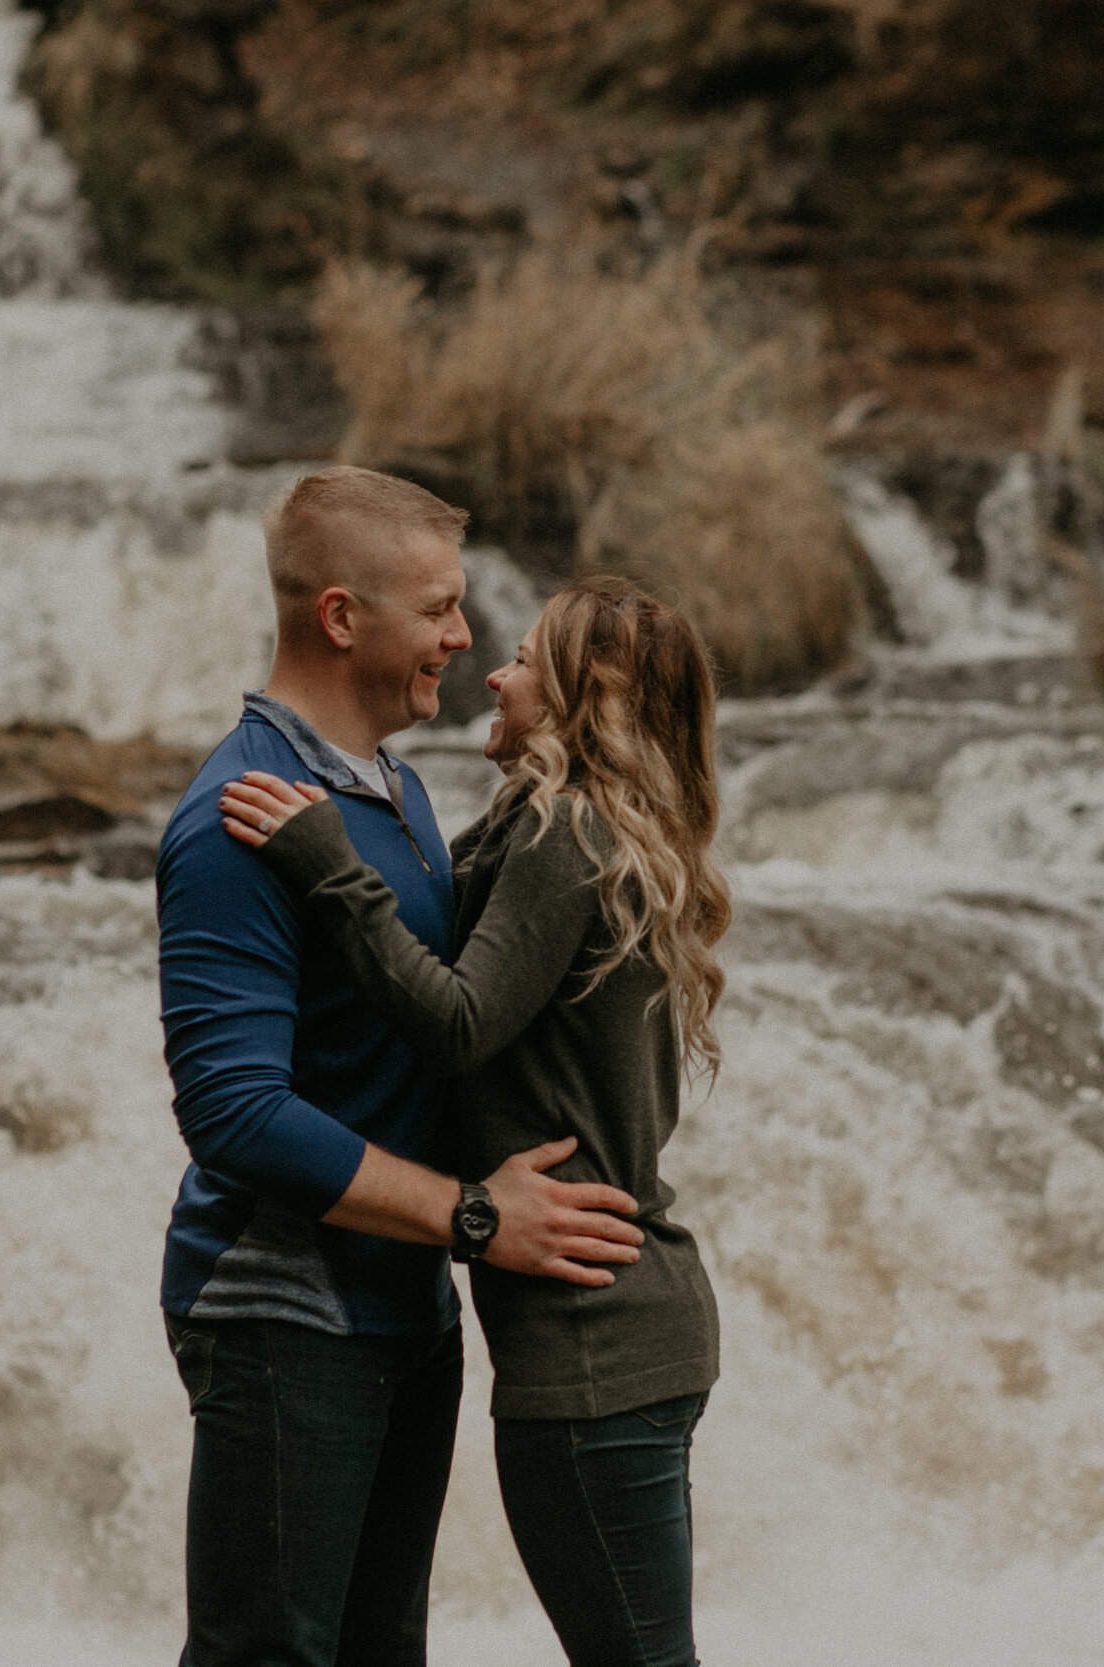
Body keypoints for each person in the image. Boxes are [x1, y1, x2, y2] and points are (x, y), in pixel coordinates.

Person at [154, 466, 649, 1667]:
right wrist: (476, 1214)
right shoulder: (237, 819)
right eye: (436, 607)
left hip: (407, 1306)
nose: (460, 636)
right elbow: (234, 1113)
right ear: (340, 616)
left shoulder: (401, 794)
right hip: (282, 1313)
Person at [218, 575, 732, 1667]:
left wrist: (329, 869)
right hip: (621, 1326)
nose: (489, 672)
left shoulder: (564, 835)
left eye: (521, 657)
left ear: (574, 696)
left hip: (596, 1345)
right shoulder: (539, 829)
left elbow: (457, 1021)